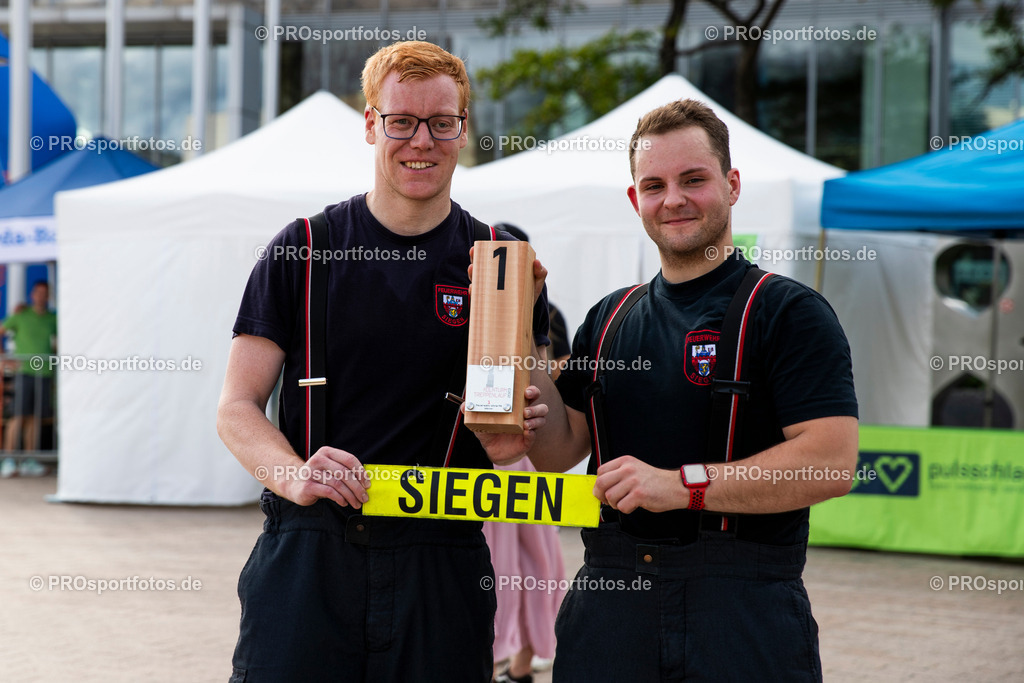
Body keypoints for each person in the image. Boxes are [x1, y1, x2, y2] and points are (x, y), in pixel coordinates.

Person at [477, 99, 859, 681]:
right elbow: (559, 451)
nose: (673, 199)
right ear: (635, 200)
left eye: (693, 180)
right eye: (653, 185)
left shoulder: (788, 312)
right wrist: (519, 324)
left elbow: (830, 463)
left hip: (740, 611)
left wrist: (683, 486)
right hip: (609, 607)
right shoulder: (609, 316)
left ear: (732, 185)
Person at [216, 41, 549, 682]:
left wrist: (526, 405)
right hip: (309, 551)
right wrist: (290, 474)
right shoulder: (303, 248)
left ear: (462, 128)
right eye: (402, 121)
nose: (421, 140)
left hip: (441, 558)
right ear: (371, 125)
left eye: (441, 122)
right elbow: (235, 408)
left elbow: (517, 436)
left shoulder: (499, 261)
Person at [482, 224, 566, 683]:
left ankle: (522, 660)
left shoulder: (544, 310)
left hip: (529, 446)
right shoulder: (477, 309)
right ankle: (506, 656)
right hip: (492, 447)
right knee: (503, 558)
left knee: (533, 556)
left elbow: (558, 371)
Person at [0, 281, 57, 478]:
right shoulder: (21, 316)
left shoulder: (52, 319)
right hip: (24, 371)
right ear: (33, 294)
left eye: (45, 293)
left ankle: (29, 460)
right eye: (38, 292)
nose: (41, 296)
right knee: (18, 416)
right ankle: (8, 459)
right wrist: (5, 358)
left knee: (35, 418)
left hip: (44, 372)